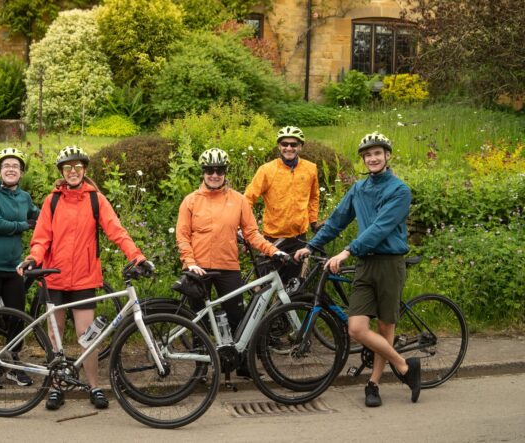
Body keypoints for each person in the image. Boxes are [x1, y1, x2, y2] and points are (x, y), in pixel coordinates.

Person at [18, 146, 152, 411]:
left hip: (84, 279)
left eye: (78, 167)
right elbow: (42, 237)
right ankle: (56, 388)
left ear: (85, 170)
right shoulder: (52, 200)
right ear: (62, 172)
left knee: (88, 338)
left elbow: (117, 231)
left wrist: (136, 256)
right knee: (55, 340)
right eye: (68, 168)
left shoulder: (95, 200)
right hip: (54, 278)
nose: (73, 172)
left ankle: (95, 386)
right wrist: (33, 257)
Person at [294, 132, 421, 407]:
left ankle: (373, 383)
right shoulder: (359, 189)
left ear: (387, 156)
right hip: (365, 265)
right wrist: (312, 246)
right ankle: (405, 367)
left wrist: (348, 250)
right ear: (363, 160)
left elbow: (379, 229)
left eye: (377, 153)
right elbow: (337, 220)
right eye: (367, 155)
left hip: (389, 263)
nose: (372, 159)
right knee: (357, 328)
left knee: (385, 326)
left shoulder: (399, 191)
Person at [176, 148, 286, 376]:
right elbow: (182, 236)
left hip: (228, 267)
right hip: (198, 268)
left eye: (219, 170)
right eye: (210, 170)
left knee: (239, 317)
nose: (214, 175)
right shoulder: (191, 201)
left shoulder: (238, 200)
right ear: (203, 172)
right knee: (198, 321)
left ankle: (243, 364)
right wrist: (189, 262)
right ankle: (201, 368)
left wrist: (273, 251)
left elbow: (252, 234)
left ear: (225, 172)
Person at [0, 147, 40, 390]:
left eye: (15, 166)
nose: (10, 169)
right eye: (6, 166)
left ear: (21, 172)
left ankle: (12, 365)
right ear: (0, 171)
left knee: (17, 317)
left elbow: (39, 216)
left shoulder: (24, 198)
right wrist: (25, 224)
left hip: (13, 268)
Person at [244, 126, 319, 284]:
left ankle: (289, 308)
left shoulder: (310, 169)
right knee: (266, 283)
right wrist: (245, 226)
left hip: (298, 237)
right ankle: (266, 309)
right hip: (273, 237)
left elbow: (313, 197)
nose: (289, 148)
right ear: (279, 146)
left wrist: (313, 221)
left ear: (300, 146)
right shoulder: (267, 170)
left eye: (293, 144)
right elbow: (248, 198)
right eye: (284, 144)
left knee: (293, 283)